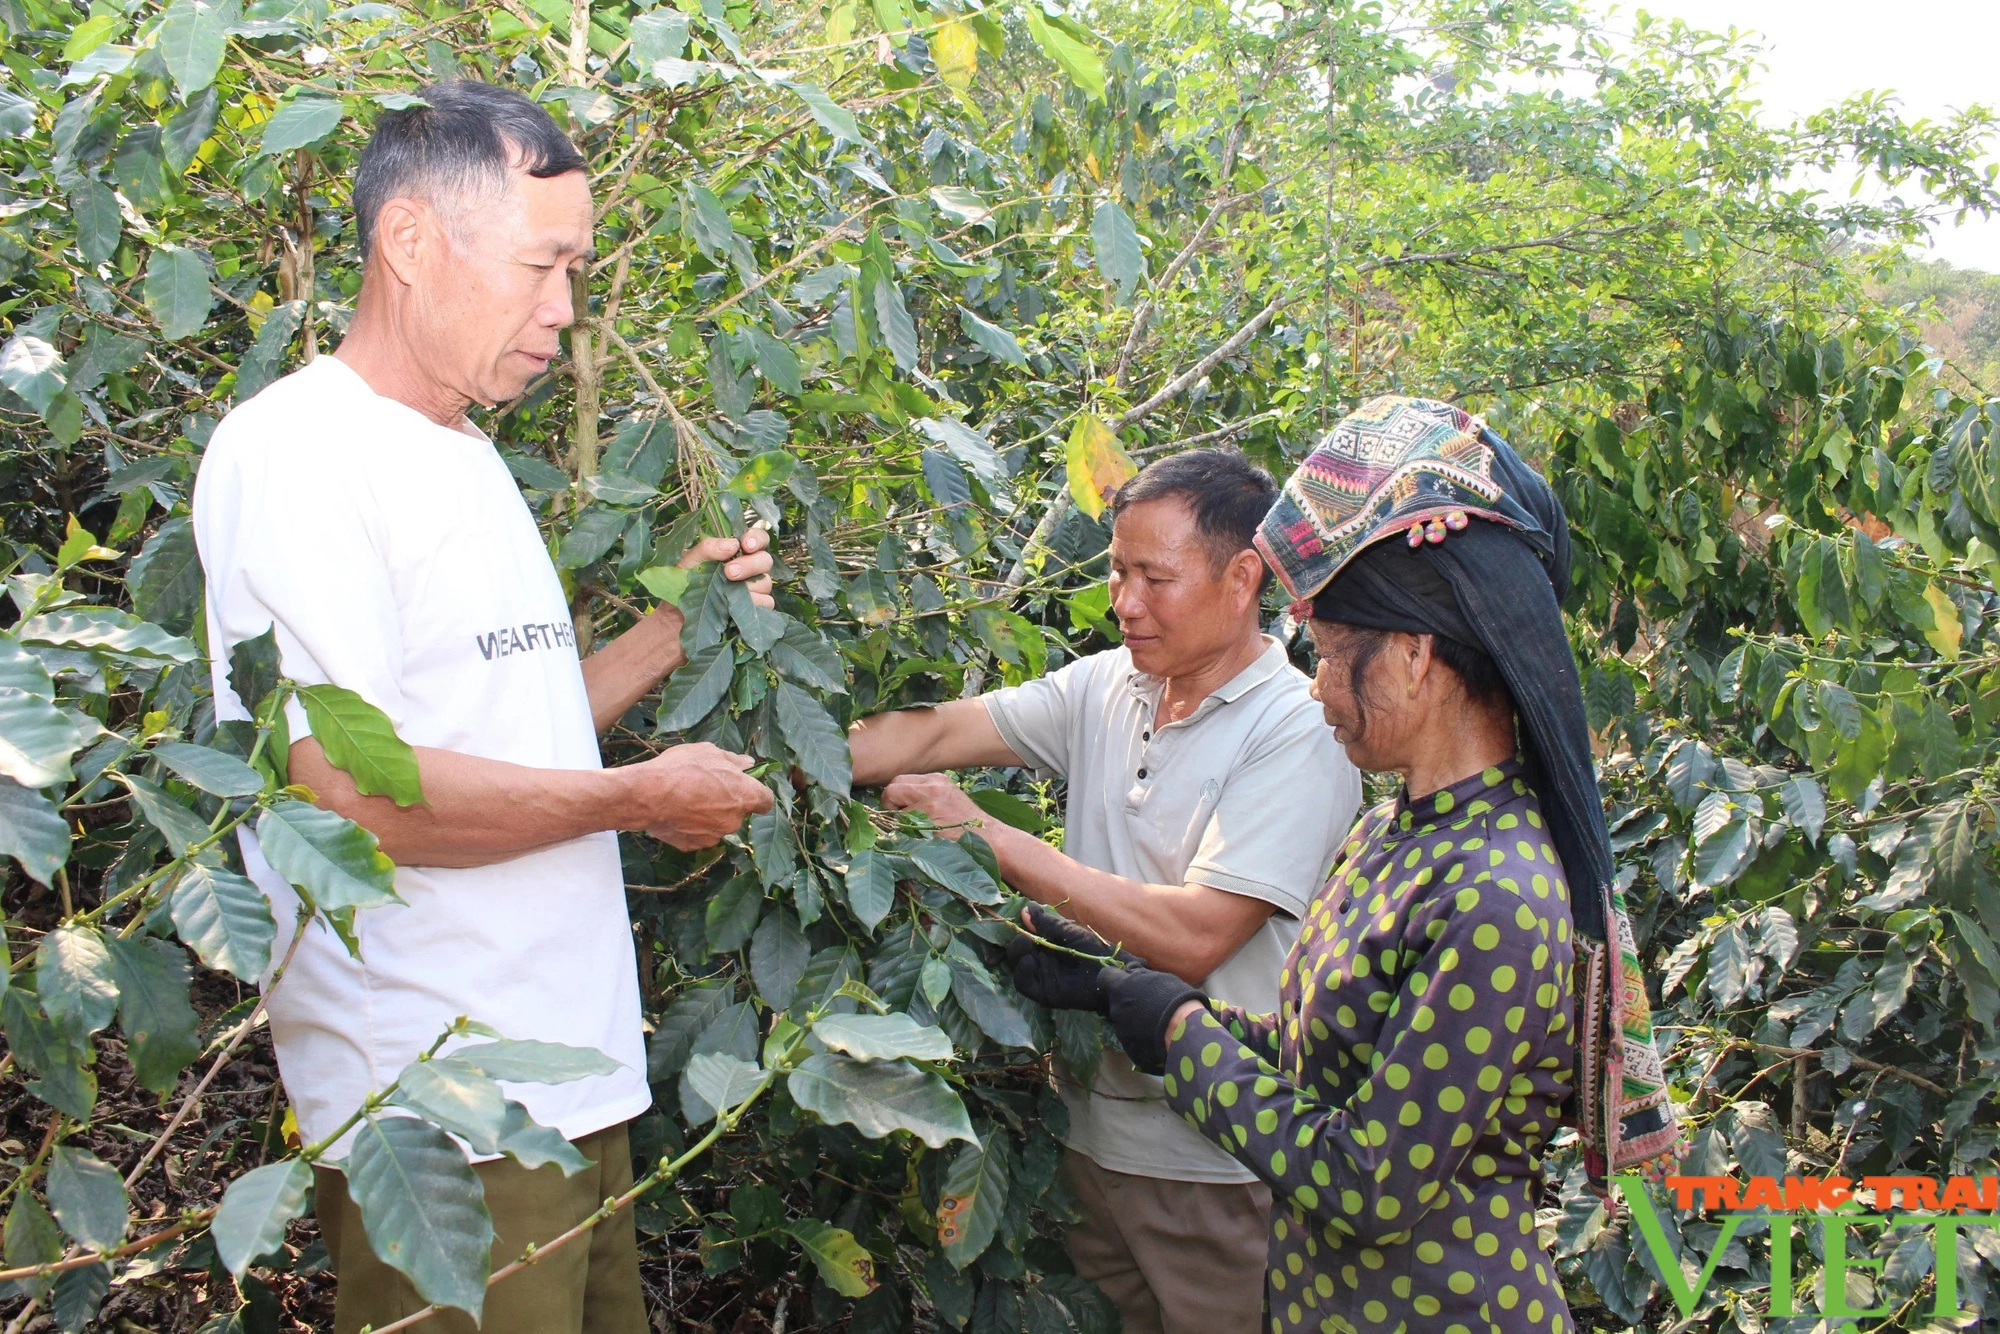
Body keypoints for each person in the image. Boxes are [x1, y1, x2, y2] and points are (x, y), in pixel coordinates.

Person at [193, 81, 777, 1334]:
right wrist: (634, 800)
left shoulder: (463, 451)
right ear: (411, 242)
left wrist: (677, 630)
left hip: (566, 1079)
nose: (563, 309)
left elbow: (508, 728)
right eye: (541, 264)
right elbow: (346, 792)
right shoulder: (298, 453)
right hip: (439, 1112)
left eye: (573, 268)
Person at [1010, 397, 1682, 1334]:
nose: (1315, 686)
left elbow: (1368, 1181)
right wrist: (1120, 990)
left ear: (1412, 657)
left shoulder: (1496, 892)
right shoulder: (1396, 834)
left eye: (1330, 656)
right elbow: (1321, 1058)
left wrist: (1178, 1036)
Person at [848, 449, 1362, 1334]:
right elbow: (932, 737)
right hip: (1084, 1136)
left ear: (1244, 577)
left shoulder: (1298, 729)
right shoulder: (1107, 686)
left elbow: (1202, 935)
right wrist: (775, 757)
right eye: (1118, 571)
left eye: (1155, 578)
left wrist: (988, 837)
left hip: (1217, 1160)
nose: (1126, 602)